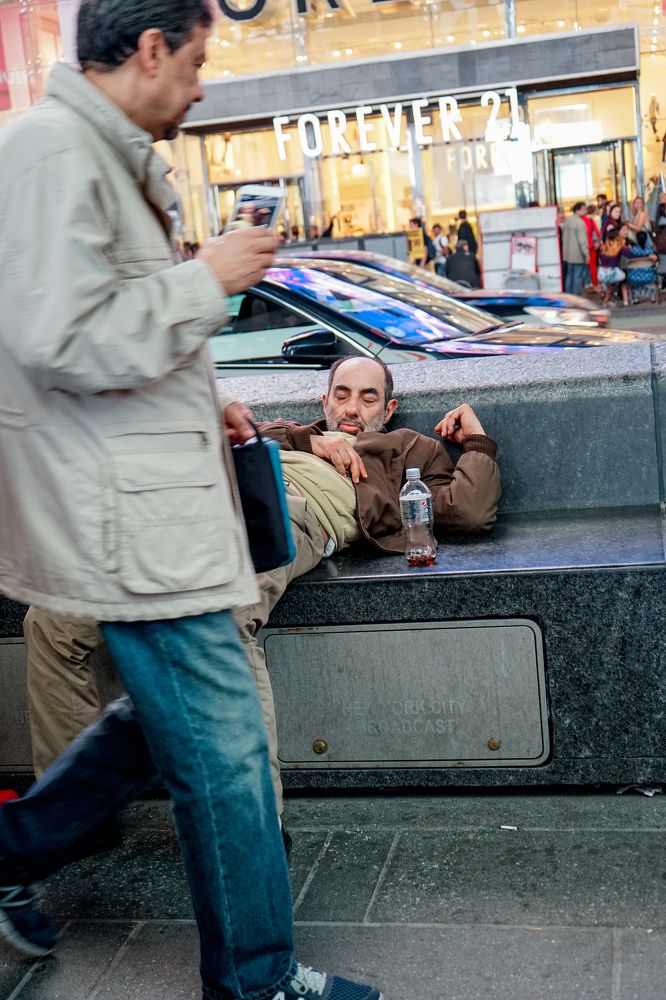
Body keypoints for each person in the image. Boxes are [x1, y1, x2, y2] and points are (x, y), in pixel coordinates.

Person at [0, 3, 382, 999]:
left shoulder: (98, 151)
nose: (203, 85)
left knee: (166, 728)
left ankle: (11, 851)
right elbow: (60, 339)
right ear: (149, 48)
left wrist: (204, 402)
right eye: (198, 59)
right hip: (132, 523)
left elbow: (103, 326)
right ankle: (256, 980)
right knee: (227, 750)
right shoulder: (49, 151)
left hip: (155, 509)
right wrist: (207, 280)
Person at [23, 355, 501, 830]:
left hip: (290, 513)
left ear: (389, 408)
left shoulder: (407, 448)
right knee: (52, 620)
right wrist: (313, 440)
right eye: (342, 394)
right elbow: (232, 435)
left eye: (367, 397)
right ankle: (71, 820)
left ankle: (253, 832)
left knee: (224, 620)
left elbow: (469, 511)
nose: (352, 407)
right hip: (204, 502)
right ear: (325, 401)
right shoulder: (291, 432)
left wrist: (476, 439)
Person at [598, 223, 630, 305]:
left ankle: (606, 300)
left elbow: (600, 258)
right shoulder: (619, 246)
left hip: (602, 273)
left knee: (611, 284)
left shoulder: (603, 247)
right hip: (614, 272)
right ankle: (625, 300)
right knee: (623, 280)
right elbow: (629, 254)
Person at [561, 202, 589, 296]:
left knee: (569, 275)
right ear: (577, 210)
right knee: (578, 277)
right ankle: (576, 297)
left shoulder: (567, 221)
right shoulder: (580, 223)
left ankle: (568, 296)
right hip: (577, 255)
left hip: (567, 255)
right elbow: (583, 241)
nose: (585, 211)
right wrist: (586, 254)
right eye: (583, 209)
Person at [582, 203, 601, 291]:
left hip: (580, 248)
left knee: (582, 267)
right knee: (593, 267)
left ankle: (587, 284)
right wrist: (597, 242)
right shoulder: (590, 220)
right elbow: (596, 232)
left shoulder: (578, 221)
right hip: (591, 246)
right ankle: (595, 284)